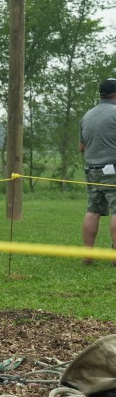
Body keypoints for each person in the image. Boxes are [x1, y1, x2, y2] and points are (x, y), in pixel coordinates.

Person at [80, 78, 116, 264]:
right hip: (113, 170)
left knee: (93, 210)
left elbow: (82, 147)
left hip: (92, 170)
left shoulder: (87, 115)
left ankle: (88, 255)